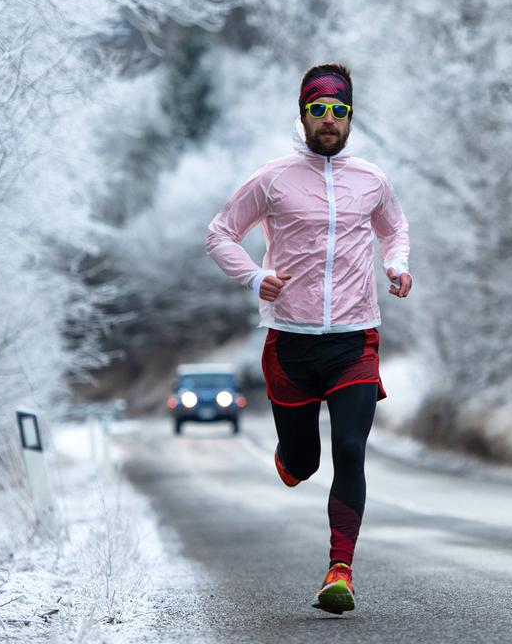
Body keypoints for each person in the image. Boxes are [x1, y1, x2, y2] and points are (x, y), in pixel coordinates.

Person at [204, 63, 412, 615]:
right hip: (290, 343)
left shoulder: (371, 179)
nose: (328, 120)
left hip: (354, 339)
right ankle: (291, 456)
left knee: (350, 447)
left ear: (350, 118)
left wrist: (397, 264)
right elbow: (219, 233)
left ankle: (339, 570)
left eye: (338, 111)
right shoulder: (271, 179)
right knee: (305, 464)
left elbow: (395, 228)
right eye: (318, 110)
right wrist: (254, 276)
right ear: (303, 115)